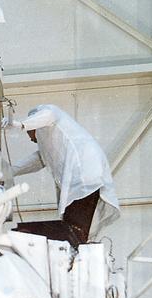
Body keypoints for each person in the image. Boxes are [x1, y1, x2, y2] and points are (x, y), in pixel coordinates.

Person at [10, 103, 120, 244]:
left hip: (84, 177)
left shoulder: (49, 112)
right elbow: (38, 160)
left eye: (30, 133)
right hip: (86, 179)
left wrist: (20, 125)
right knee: (74, 229)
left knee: (74, 230)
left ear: (34, 125)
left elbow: (48, 114)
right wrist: (10, 170)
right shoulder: (51, 139)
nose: (31, 139)